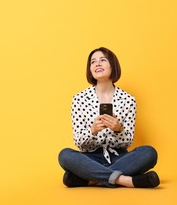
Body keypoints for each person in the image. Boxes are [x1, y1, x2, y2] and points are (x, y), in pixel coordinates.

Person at [58, 47, 160, 188]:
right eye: (93, 62)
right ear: (90, 69)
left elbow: (128, 141)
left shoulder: (128, 100)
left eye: (103, 60)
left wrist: (119, 129)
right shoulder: (79, 99)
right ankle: (126, 181)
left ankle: (92, 179)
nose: (97, 64)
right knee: (65, 155)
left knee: (149, 153)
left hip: (120, 157)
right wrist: (92, 131)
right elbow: (79, 142)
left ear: (113, 65)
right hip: (90, 158)